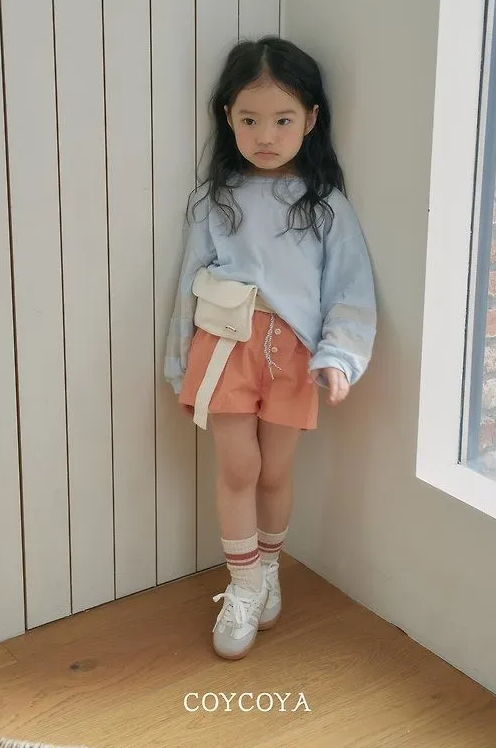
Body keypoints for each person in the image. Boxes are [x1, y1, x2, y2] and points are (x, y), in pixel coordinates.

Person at [164, 35, 376, 660]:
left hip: (293, 356)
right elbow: (187, 282)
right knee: (239, 468)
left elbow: (350, 290)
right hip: (224, 345)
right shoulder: (215, 200)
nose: (264, 135)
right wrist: (178, 359)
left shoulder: (326, 207)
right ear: (227, 117)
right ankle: (244, 585)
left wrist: (338, 357)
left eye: (283, 119)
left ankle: (269, 569)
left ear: (311, 120)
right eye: (249, 119)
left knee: (276, 471)